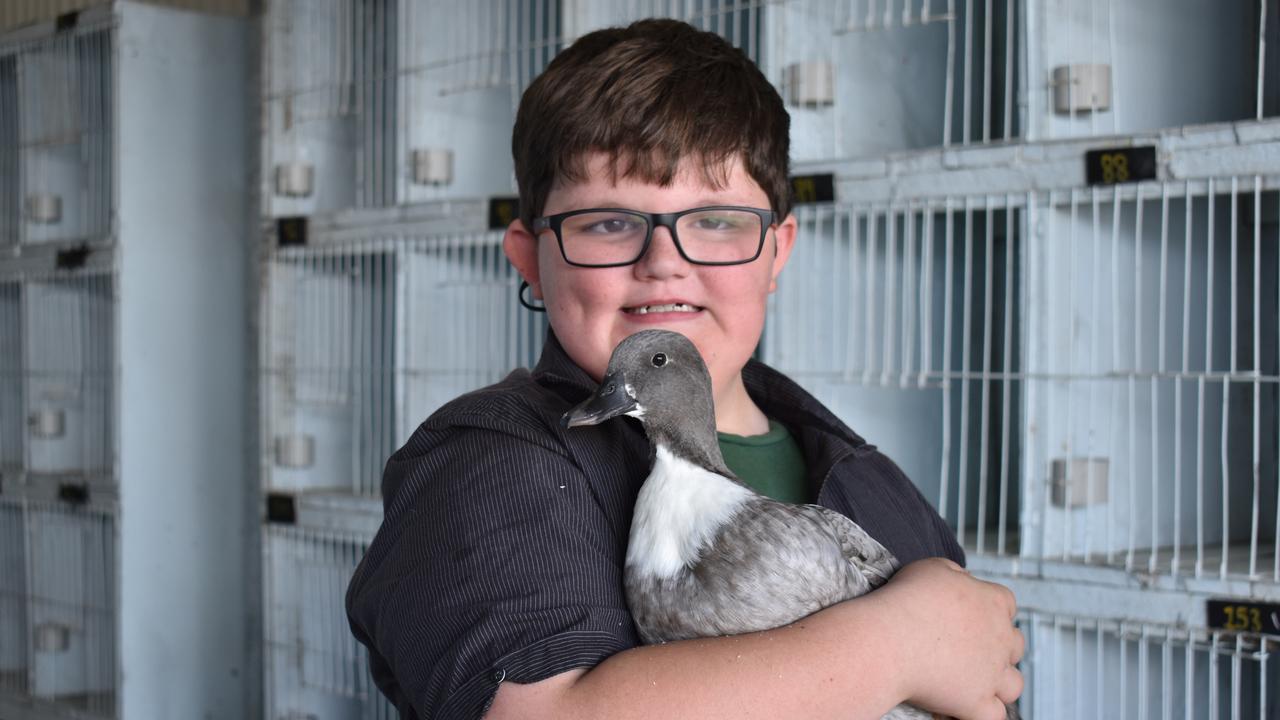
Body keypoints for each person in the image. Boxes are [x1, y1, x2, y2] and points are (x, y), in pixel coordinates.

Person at [347, 17, 1023, 720]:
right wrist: (896, 646)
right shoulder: (491, 462)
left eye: (717, 222)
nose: (663, 262)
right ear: (530, 260)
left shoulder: (874, 486)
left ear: (777, 252)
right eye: (608, 222)